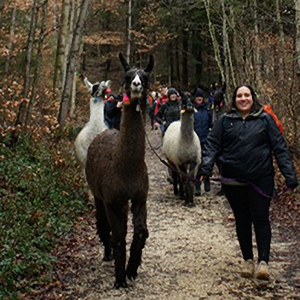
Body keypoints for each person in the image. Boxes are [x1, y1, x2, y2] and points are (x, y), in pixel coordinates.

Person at [199, 84, 298, 280]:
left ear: (253, 98)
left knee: (260, 218)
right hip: (233, 180)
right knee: (242, 220)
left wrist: (290, 176)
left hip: (260, 178)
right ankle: (247, 260)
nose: (243, 99)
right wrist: (206, 167)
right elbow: (212, 145)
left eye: (247, 95)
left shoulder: (265, 120)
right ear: (234, 100)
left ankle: (263, 262)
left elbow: (279, 148)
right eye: (239, 96)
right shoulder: (225, 121)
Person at [193, 88, 212, 196]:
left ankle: (207, 179)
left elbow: (211, 124)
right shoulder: (192, 111)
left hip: (206, 139)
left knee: (206, 161)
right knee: (197, 163)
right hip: (195, 140)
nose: (199, 99)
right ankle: (197, 185)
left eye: (201, 97)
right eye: (197, 97)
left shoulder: (208, 110)